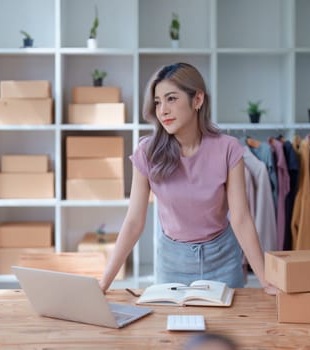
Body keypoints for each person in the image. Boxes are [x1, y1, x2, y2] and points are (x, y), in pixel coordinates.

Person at [99, 62, 275, 294]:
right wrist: (103, 284)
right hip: (172, 263)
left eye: (171, 98)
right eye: (158, 102)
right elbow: (133, 223)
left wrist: (265, 282)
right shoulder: (147, 153)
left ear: (198, 100)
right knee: (174, 329)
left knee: (227, 329)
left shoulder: (228, 149)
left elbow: (241, 219)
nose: (163, 110)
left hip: (223, 260)